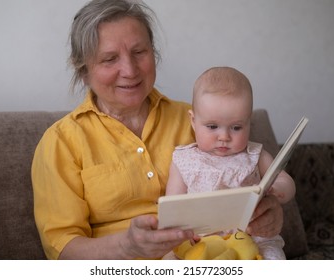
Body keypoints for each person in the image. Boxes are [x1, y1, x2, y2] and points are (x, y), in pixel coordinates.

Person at [31, 0, 284, 260]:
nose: (129, 71)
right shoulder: (60, 142)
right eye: (109, 59)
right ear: (83, 70)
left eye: (139, 52)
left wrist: (268, 216)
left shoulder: (203, 123)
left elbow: (247, 181)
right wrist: (125, 246)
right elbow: (63, 250)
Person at [165, 66, 296, 259]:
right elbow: (173, 207)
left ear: (248, 123)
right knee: (170, 259)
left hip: (252, 238)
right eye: (212, 126)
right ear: (193, 121)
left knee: (273, 256)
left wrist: (277, 190)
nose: (224, 137)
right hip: (202, 240)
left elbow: (287, 182)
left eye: (236, 127)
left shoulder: (255, 155)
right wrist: (183, 232)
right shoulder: (184, 160)